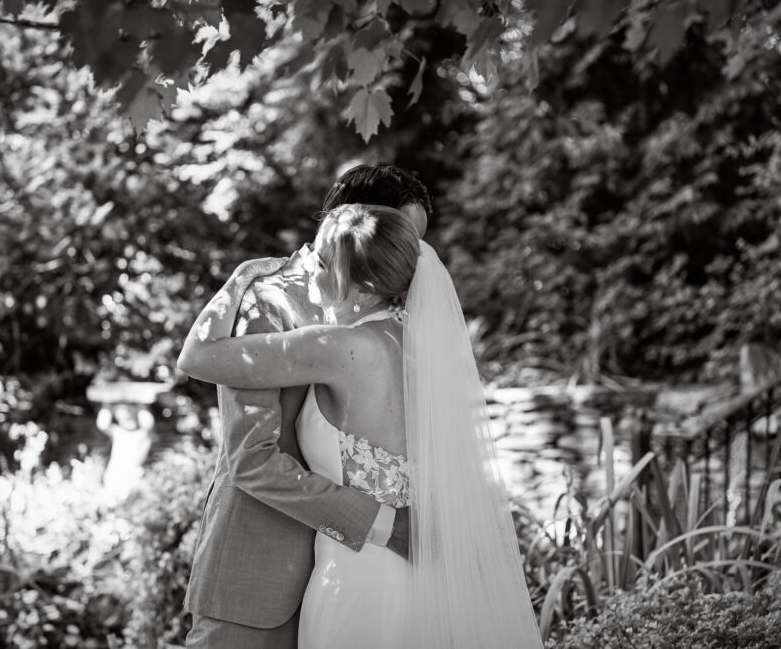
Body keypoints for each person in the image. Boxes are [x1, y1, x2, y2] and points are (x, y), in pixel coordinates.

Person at [179, 203, 543, 647]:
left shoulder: (336, 347)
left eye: (327, 263)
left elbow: (196, 357)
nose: (313, 271)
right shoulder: (423, 352)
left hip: (354, 581)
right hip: (417, 580)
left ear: (366, 289)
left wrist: (241, 278)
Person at [181, 165, 433, 648]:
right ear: (355, 221)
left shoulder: (394, 323)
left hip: (360, 584)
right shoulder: (267, 301)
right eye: (400, 238)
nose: (407, 265)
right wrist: (383, 526)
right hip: (262, 580)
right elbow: (251, 460)